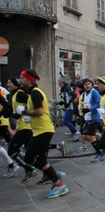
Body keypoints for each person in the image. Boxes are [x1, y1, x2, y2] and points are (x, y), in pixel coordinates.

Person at [18, 69, 68, 198]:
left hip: (44, 130)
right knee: (29, 158)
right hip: (38, 130)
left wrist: (24, 111)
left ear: (29, 80)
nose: (20, 80)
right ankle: (55, 174)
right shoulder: (32, 93)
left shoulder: (35, 93)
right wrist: (28, 116)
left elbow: (39, 111)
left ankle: (59, 185)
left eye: (22, 78)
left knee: (41, 160)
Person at [5, 77, 40, 183]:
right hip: (23, 127)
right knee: (32, 154)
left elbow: (32, 103)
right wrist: (9, 113)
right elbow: (13, 109)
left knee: (11, 150)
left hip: (25, 127)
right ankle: (48, 173)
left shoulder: (20, 93)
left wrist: (23, 112)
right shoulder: (14, 95)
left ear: (15, 84)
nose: (7, 84)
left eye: (10, 82)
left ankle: (29, 168)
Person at [78, 78, 104, 162]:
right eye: (85, 84)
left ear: (92, 84)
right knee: (85, 136)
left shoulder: (94, 92)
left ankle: (99, 154)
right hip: (88, 117)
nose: (87, 85)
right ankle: (103, 145)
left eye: (89, 84)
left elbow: (98, 103)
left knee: (90, 136)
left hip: (95, 117)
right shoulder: (85, 93)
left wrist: (90, 109)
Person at [58, 78, 80, 142]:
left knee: (65, 121)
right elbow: (68, 97)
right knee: (69, 121)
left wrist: (68, 103)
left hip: (71, 107)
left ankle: (76, 132)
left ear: (62, 83)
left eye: (59, 83)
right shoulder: (66, 88)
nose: (58, 85)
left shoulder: (67, 88)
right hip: (69, 106)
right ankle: (74, 134)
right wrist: (63, 102)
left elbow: (74, 95)